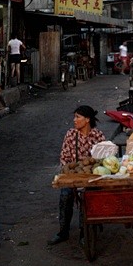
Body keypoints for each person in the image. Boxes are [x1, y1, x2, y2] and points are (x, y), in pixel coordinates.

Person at [48, 105, 105, 246]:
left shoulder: (98, 135)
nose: (74, 120)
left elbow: (105, 157)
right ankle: (63, 231)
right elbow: (64, 157)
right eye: (74, 117)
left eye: (78, 117)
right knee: (65, 195)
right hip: (73, 176)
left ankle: (83, 232)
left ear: (87, 119)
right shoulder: (71, 134)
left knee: (87, 197)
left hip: (91, 177)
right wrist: (68, 173)